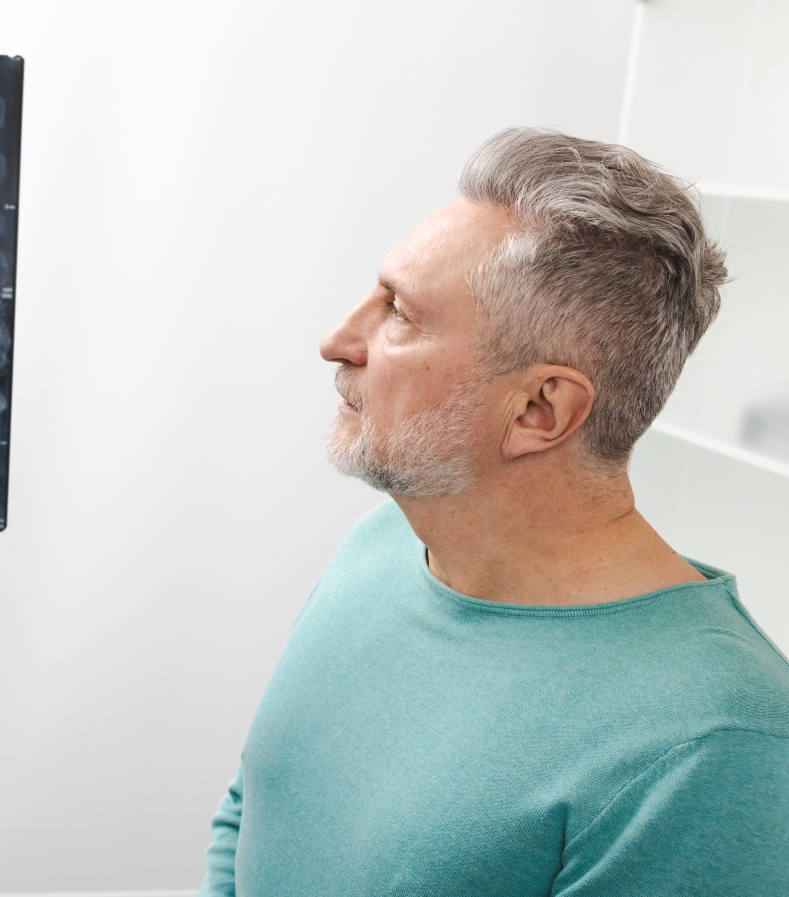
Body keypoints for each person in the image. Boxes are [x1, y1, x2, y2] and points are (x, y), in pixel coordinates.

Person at [198, 128, 789, 895]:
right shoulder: (381, 546)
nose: (339, 340)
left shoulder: (715, 749)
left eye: (399, 313)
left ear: (540, 409)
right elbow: (253, 810)